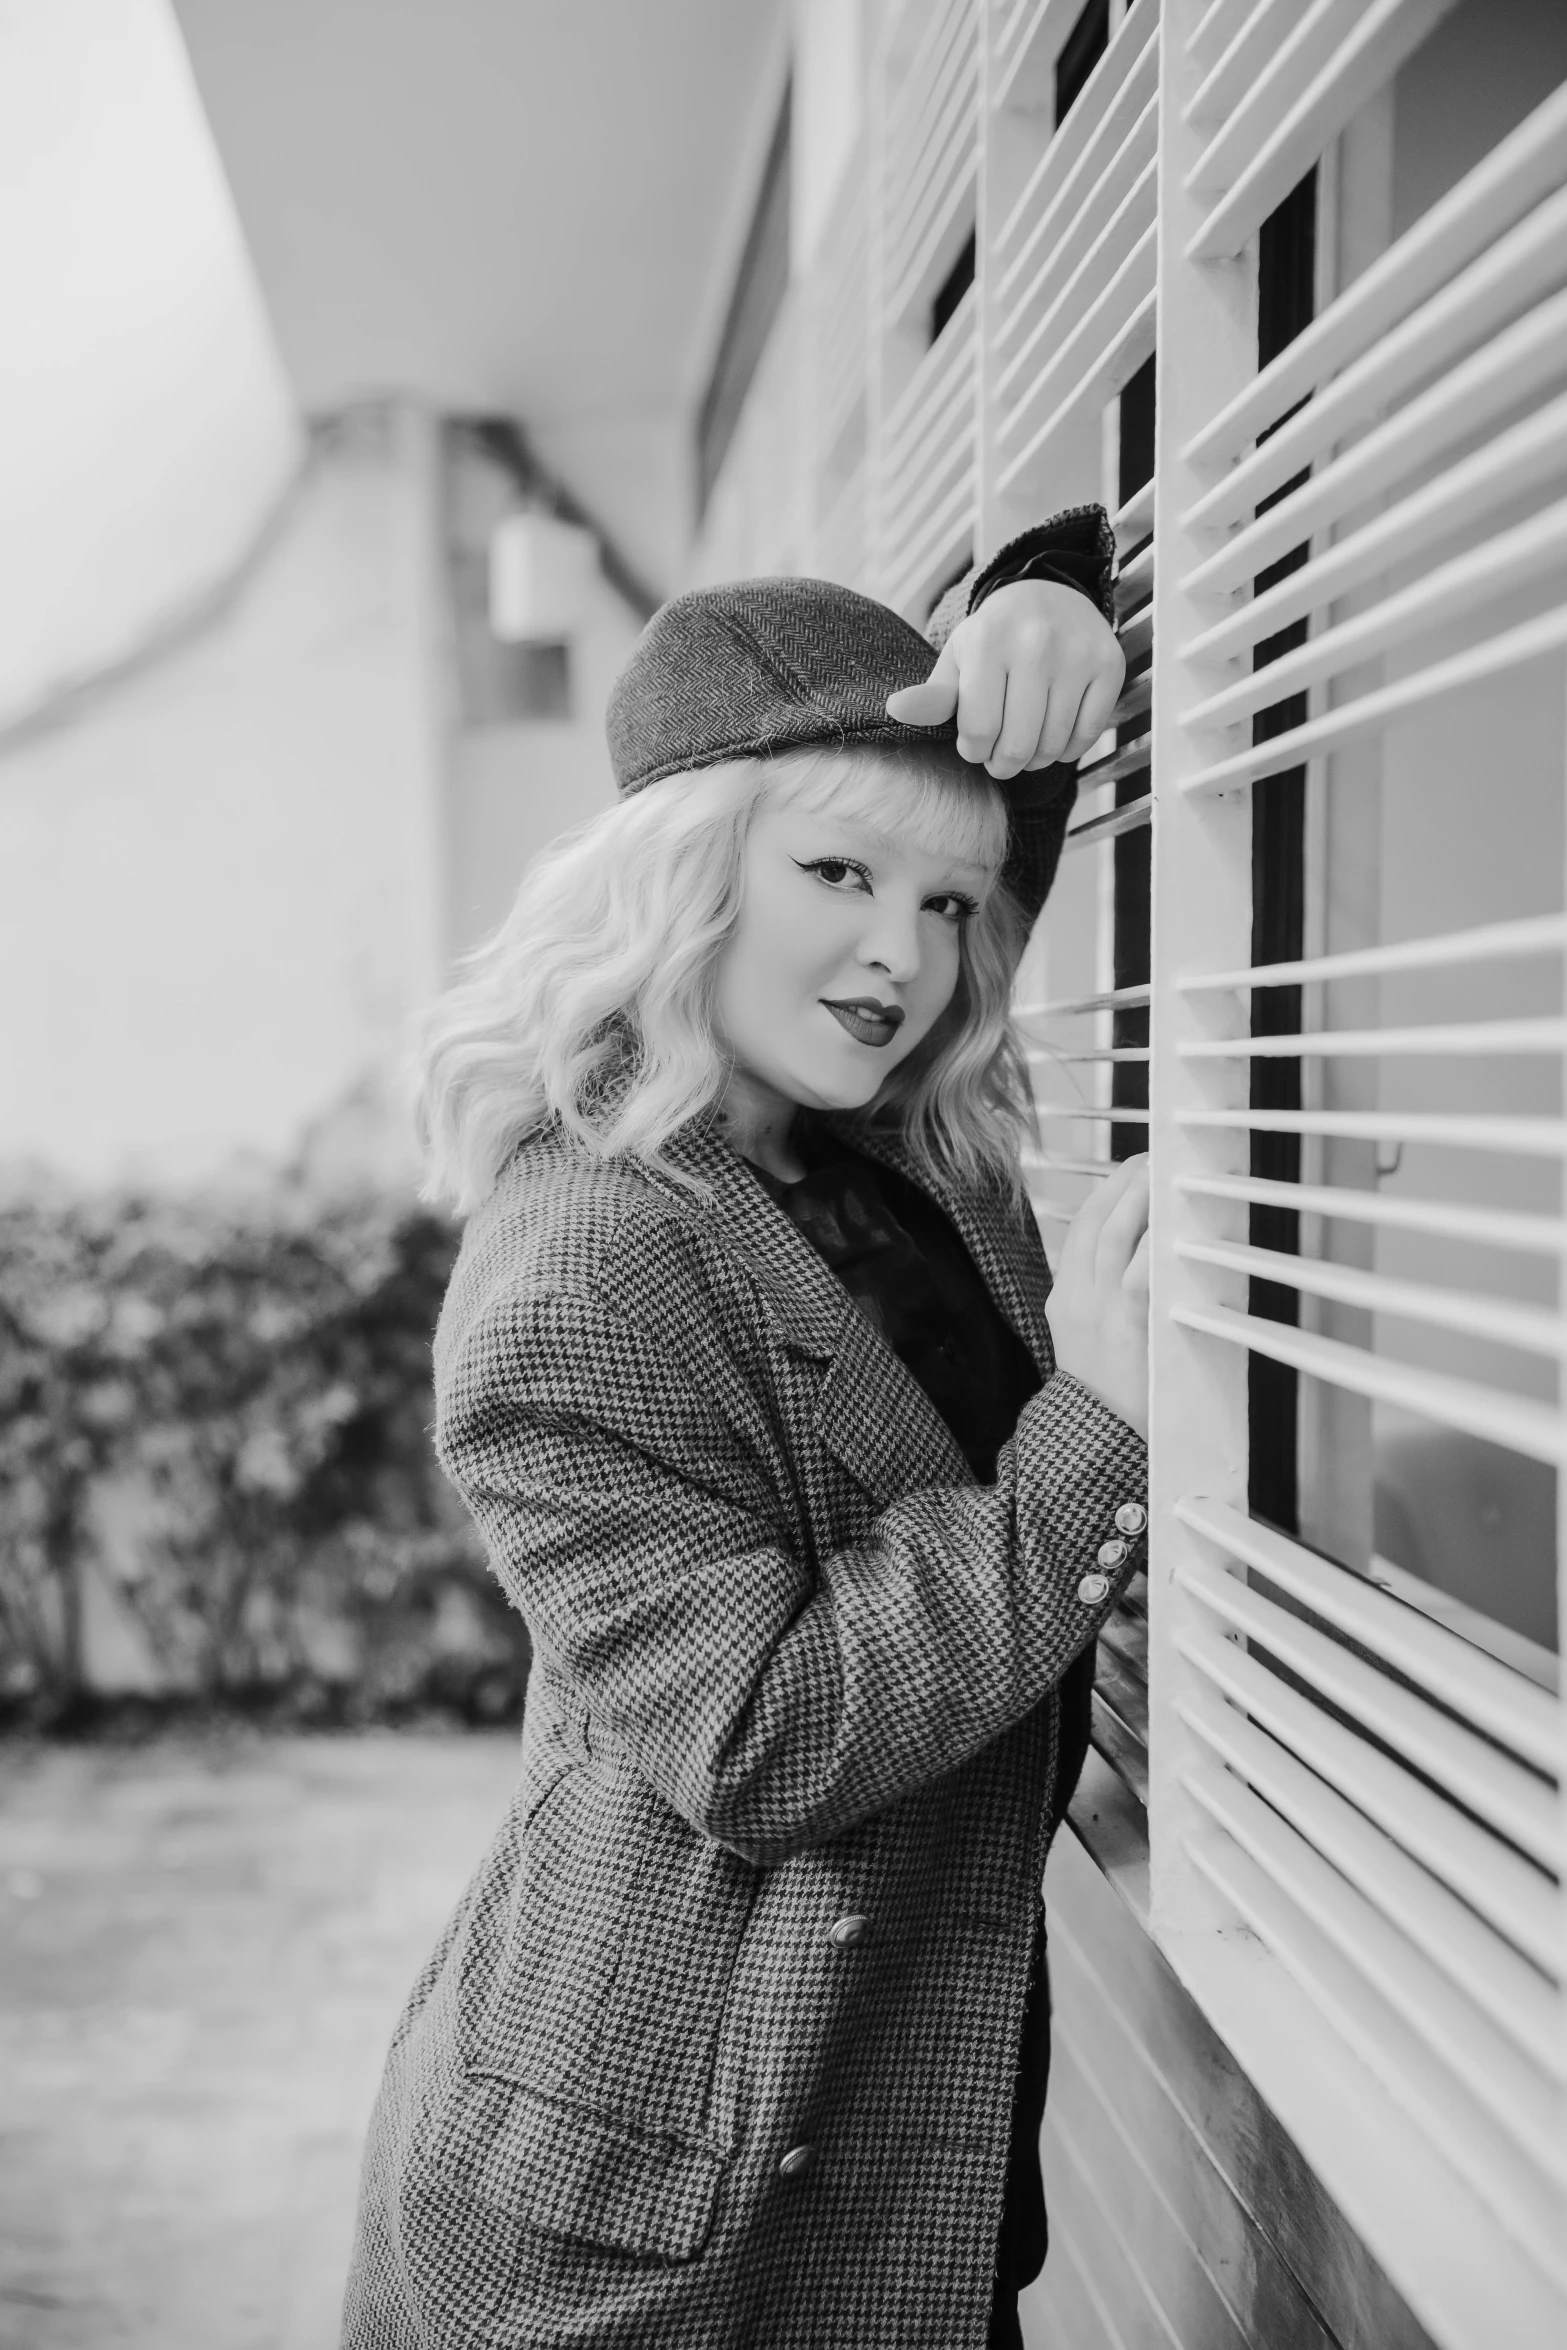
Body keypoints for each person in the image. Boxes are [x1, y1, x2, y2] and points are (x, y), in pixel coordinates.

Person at [342, 510, 1150, 2350]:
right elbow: (763, 1729)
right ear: (686, 874)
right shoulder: (578, 1266)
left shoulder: (861, 1151)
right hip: (666, 2196)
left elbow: (981, 790)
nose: (903, 955)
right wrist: (1098, 1423)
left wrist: (1045, 603)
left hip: (905, 2095)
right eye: (838, 875)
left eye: (945, 906)